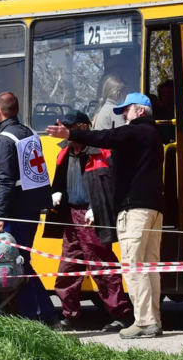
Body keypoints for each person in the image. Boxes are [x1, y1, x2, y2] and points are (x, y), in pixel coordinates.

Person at [46, 92, 165, 339]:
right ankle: (74, 315)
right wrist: (56, 195)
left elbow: (106, 138)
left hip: (119, 212)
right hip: (79, 216)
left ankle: (133, 318)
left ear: (139, 111)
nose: (122, 115)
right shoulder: (151, 135)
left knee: (126, 267)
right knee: (72, 267)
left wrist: (97, 208)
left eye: (126, 110)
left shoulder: (131, 134)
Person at [45, 110, 133, 332]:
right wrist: (55, 194)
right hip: (71, 217)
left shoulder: (103, 152)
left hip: (91, 218)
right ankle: (70, 317)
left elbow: (111, 186)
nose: (64, 132)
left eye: (69, 127)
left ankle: (122, 316)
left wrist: (96, 209)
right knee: (68, 269)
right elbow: (59, 182)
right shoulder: (64, 153)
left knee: (102, 268)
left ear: (83, 128)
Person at [0, 92, 59, 326]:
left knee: (19, 264)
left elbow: (6, 182)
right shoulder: (29, 133)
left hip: (15, 211)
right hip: (33, 209)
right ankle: (40, 315)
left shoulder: (4, 139)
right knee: (23, 262)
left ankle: (38, 315)